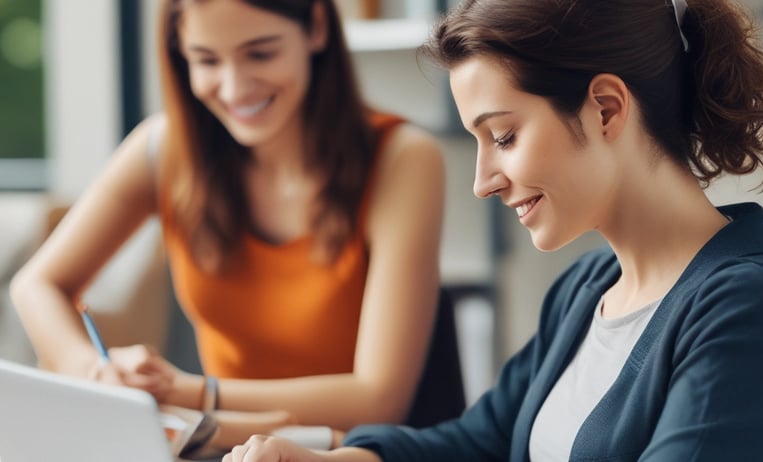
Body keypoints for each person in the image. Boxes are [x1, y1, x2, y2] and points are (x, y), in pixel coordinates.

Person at [221, 0, 763, 460]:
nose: (483, 183)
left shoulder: (742, 307)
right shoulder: (586, 290)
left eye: (503, 137)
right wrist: (330, 459)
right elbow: (480, 441)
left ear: (605, 109)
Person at [10, 0, 449, 454]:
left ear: (317, 26)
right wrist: (94, 372)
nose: (235, 87)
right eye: (206, 60)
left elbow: (378, 401)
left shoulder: (403, 159)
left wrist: (187, 392)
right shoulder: (163, 150)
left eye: (261, 53)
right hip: (227, 449)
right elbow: (37, 285)